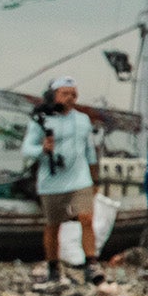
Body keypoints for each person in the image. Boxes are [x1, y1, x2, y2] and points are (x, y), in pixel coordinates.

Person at [23, 75, 100, 284]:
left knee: (86, 218)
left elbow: (90, 151)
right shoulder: (41, 119)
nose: (70, 98)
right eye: (65, 93)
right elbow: (26, 149)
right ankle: (53, 265)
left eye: (73, 94)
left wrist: (95, 178)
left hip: (80, 178)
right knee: (53, 225)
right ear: (53, 95)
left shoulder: (83, 120)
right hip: (52, 180)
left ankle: (91, 263)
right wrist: (42, 149)